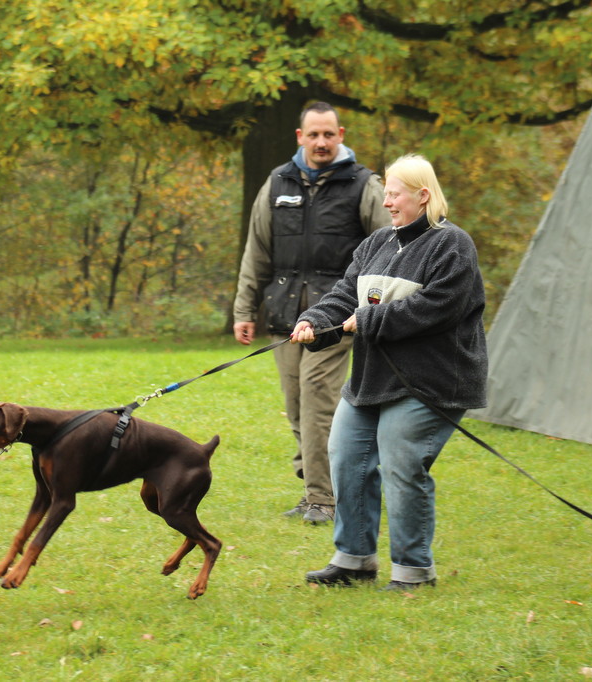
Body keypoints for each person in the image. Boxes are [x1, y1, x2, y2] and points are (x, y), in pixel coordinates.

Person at [290, 153, 487, 590]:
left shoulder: (452, 245)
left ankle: (414, 571)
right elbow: (345, 295)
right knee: (345, 456)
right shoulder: (376, 243)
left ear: (423, 195)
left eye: (395, 194)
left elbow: (436, 307)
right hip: (371, 382)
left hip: (430, 384)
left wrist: (371, 320)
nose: (389, 203)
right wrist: (315, 322)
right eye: (387, 195)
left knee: (402, 463)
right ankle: (354, 560)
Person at [233, 102, 392, 524]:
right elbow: (257, 251)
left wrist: (373, 309)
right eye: (313, 135)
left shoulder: (364, 185)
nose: (321, 142)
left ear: (340, 135)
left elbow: (388, 248)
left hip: (335, 320)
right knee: (297, 408)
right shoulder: (277, 182)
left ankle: (324, 499)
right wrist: (244, 310)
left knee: (318, 406)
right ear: (300, 138)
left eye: (329, 134)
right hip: (284, 317)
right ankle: (315, 489)